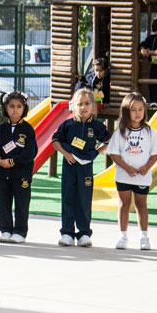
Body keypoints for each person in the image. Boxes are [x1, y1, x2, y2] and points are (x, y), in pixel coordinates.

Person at [52, 88, 111, 247]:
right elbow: (55, 141)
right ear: (73, 106)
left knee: (84, 199)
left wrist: (97, 152)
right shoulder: (67, 124)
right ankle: (67, 233)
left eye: (87, 104)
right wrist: (66, 154)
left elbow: (108, 140)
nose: (83, 107)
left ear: (93, 106)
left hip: (85, 167)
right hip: (70, 166)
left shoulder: (97, 126)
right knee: (68, 198)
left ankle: (84, 233)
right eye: (79, 104)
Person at [106, 92, 157, 250]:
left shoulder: (150, 132)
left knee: (141, 205)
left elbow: (155, 153)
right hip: (123, 176)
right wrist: (127, 168)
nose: (137, 113)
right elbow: (114, 153)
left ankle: (144, 237)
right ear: (126, 111)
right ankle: (122, 236)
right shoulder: (120, 132)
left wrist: (146, 167)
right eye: (133, 109)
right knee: (124, 204)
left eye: (140, 109)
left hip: (142, 177)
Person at [0, 92, 37, 243]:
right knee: (3, 202)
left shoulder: (28, 129)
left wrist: (13, 161)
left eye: (19, 107)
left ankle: (20, 232)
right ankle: (5, 229)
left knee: (22, 203)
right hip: (3, 174)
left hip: (21, 174)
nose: (15, 110)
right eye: (11, 107)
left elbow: (31, 152)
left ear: (24, 108)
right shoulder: (1, 129)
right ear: (5, 108)